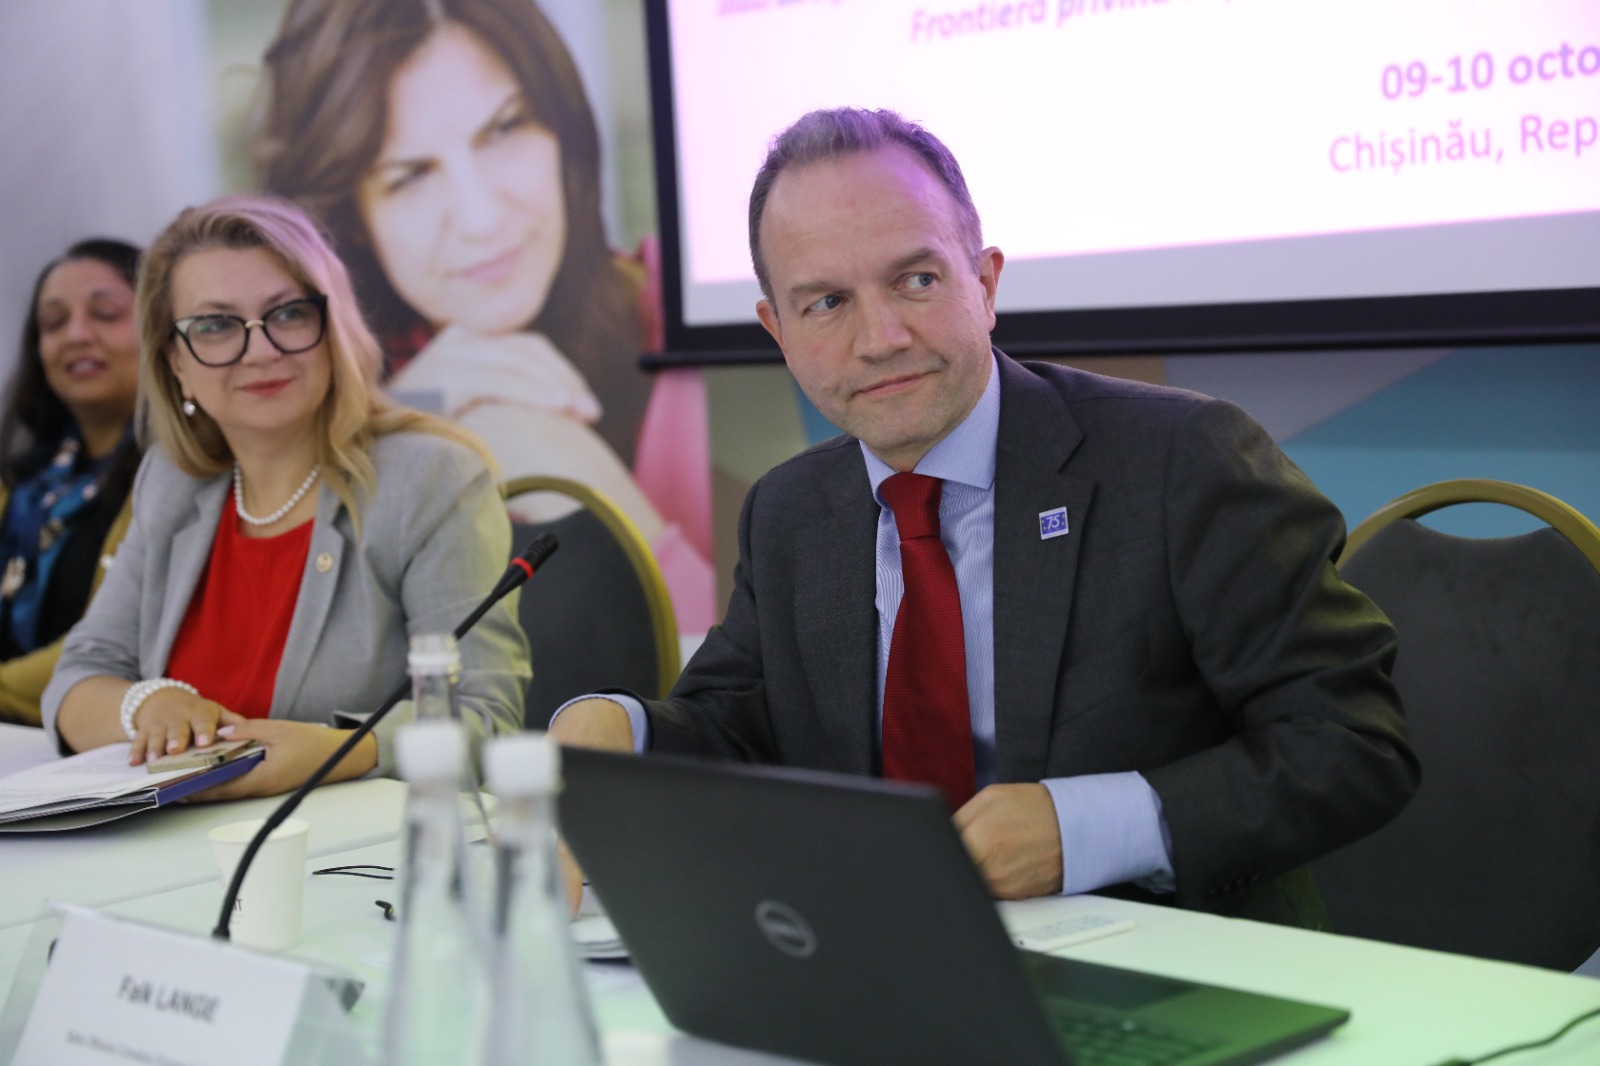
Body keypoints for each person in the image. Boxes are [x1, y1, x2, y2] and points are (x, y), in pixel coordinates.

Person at [551, 108, 1420, 926]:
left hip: (1166, 962)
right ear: (778, 331)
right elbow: (739, 723)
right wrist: (624, 727)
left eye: (916, 280)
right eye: (827, 303)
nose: (881, 337)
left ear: (985, 281)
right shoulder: (790, 509)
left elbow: (1351, 742)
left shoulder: (1181, 461)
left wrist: (1086, 830)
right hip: (876, 953)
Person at [42, 195, 528, 798]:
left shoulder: (430, 481)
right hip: (176, 840)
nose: (261, 350)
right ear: (175, 362)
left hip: (346, 844)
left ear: (334, 329)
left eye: (289, 313)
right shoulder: (172, 481)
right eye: (216, 326)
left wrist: (339, 751)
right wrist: (147, 705)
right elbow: (78, 678)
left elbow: (487, 721)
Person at [254, 0, 715, 632]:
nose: (481, 218)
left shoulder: (718, 316)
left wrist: (581, 486)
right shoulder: (334, 407)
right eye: (410, 175)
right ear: (352, 218)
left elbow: (782, 670)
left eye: (503, 129)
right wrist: (400, 423)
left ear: (563, 133)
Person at [0, 240, 144, 726]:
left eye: (106, 313)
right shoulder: (22, 483)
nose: (77, 335)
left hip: (91, 741)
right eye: (54, 322)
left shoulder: (182, 479)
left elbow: (115, 644)